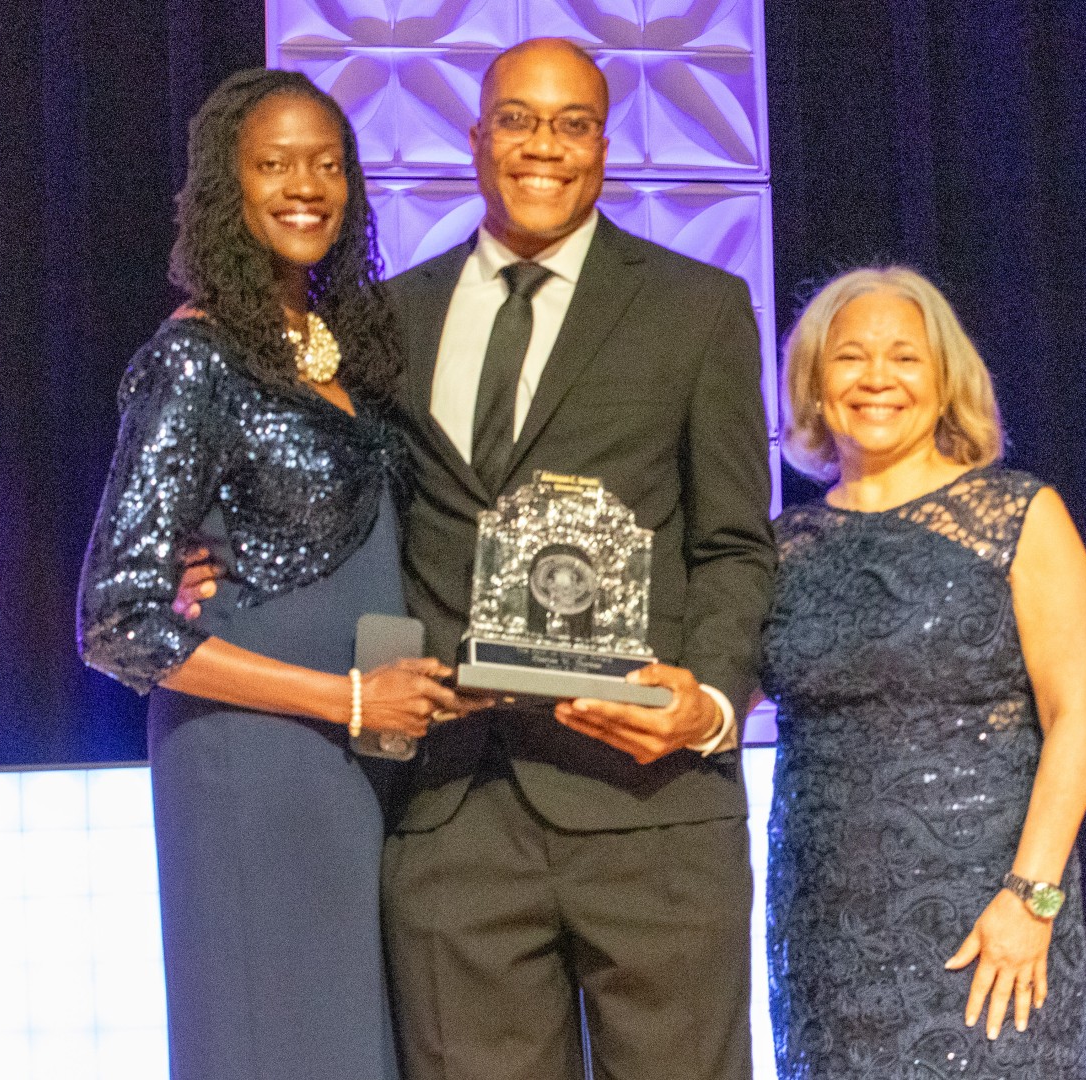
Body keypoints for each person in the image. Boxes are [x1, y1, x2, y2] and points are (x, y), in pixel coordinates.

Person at [176, 36, 775, 1080]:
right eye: (517, 119)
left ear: (603, 146)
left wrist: (710, 704)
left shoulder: (699, 307)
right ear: (476, 137)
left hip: (653, 812)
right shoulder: (380, 321)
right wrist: (219, 552)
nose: (543, 146)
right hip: (456, 819)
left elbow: (734, 544)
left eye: (572, 123)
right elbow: (325, 486)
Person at [76, 69, 475, 1080]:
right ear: (228, 186)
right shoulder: (196, 360)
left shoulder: (349, 351)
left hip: (363, 763)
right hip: (252, 768)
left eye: (328, 163)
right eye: (275, 163)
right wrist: (343, 698)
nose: (307, 184)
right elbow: (118, 619)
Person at [760, 267, 1086, 1078]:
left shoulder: (1019, 515)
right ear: (813, 383)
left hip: (990, 917)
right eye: (850, 357)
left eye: (904, 358)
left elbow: (1076, 723)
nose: (876, 377)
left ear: (946, 380)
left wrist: (1031, 899)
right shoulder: (780, 546)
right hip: (825, 928)